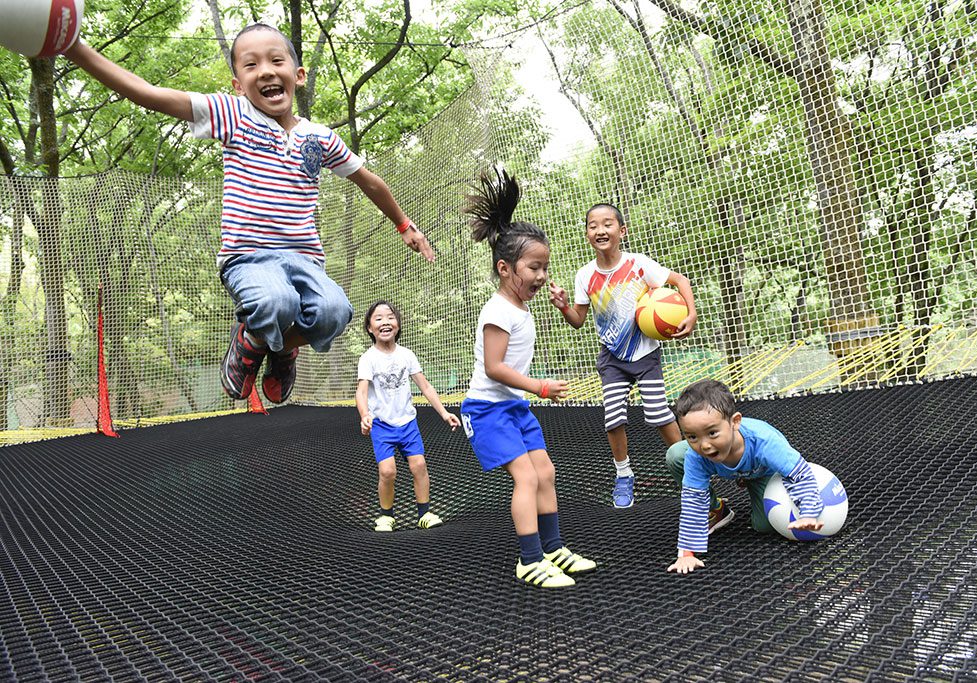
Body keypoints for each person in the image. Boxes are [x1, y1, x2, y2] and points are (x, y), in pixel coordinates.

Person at [65, 24, 433, 404]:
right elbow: (150, 94)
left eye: (277, 61)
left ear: (298, 75)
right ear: (238, 84)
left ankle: (278, 348)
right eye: (251, 65)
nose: (267, 71)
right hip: (249, 258)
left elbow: (369, 181)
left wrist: (404, 225)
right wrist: (75, 49)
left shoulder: (319, 138)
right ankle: (250, 339)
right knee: (278, 302)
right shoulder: (232, 114)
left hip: (305, 259)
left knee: (334, 312)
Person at [460, 167, 596, 588]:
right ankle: (529, 558)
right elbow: (494, 368)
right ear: (505, 268)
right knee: (527, 476)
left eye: (544, 267)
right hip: (486, 410)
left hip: (513, 407)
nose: (541, 275)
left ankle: (554, 547)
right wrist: (539, 387)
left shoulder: (520, 306)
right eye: (533, 267)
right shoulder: (498, 309)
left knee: (546, 471)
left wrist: (561, 306)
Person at [549, 204, 722, 520]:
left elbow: (680, 281)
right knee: (613, 416)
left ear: (621, 231)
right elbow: (577, 320)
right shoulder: (585, 275)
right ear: (587, 234)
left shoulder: (638, 264)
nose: (600, 230)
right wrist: (563, 306)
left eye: (608, 224)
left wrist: (692, 313)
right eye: (592, 225)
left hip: (645, 354)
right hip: (612, 358)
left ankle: (691, 468)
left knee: (658, 413)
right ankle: (624, 474)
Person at [665, 379, 825, 575]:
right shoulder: (697, 455)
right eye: (692, 437)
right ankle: (717, 510)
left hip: (763, 472)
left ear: (735, 422)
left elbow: (799, 474)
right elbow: (693, 500)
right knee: (675, 455)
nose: (704, 445)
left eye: (712, 433)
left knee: (764, 526)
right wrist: (687, 554)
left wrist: (808, 512)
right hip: (735, 467)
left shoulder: (765, 442)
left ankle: (749, 482)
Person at [356, 300, 459, 531]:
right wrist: (365, 415)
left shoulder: (406, 355)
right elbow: (361, 392)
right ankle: (386, 516)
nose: (385, 321)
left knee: (419, 465)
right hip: (382, 424)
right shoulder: (368, 358)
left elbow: (426, 387)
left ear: (398, 325)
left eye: (390, 317)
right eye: (378, 318)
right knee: (387, 470)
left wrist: (444, 414)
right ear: (370, 328)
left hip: (407, 423)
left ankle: (424, 513)